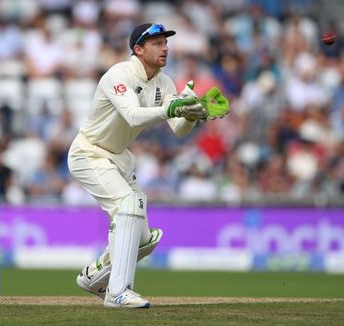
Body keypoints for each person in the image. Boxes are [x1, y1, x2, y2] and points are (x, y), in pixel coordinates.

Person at [67, 23, 215, 308]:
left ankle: (93, 278)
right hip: (89, 152)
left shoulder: (165, 82)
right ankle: (117, 292)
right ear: (138, 49)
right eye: (157, 43)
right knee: (128, 207)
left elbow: (178, 129)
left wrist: (192, 112)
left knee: (144, 240)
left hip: (119, 157)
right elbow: (133, 116)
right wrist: (172, 108)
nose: (165, 48)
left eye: (166, 43)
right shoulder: (118, 74)